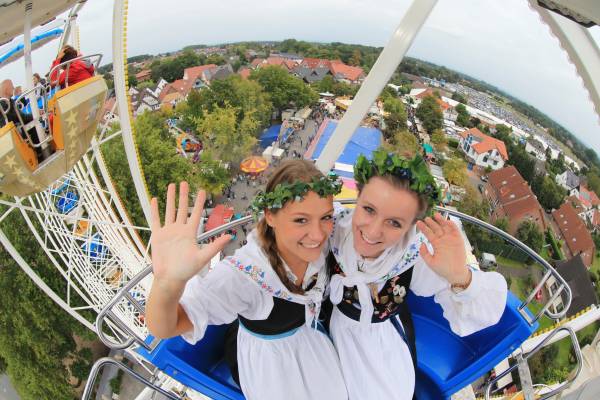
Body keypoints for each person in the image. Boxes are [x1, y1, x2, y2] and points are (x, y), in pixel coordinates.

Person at [146, 160, 347, 400]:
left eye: (325, 217)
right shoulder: (247, 275)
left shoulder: (326, 242)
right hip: (273, 369)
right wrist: (167, 284)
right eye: (300, 220)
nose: (317, 234)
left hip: (310, 341)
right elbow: (165, 326)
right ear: (270, 216)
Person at [327, 150, 508, 400]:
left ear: (412, 226)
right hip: (328, 333)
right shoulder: (333, 228)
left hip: (379, 349)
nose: (373, 230)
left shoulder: (416, 256)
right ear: (357, 198)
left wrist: (459, 276)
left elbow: (477, 313)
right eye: (368, 209)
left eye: (395, 223)